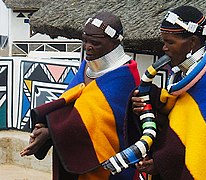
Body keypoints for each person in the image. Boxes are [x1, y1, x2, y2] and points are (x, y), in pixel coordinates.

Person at [20, 11, 140, 180]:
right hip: (78, 165)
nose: (87, 47)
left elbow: (96, 124)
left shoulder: (125, 77)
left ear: (114, 43)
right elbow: (68, 105)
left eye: (95, 43)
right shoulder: (87, 66)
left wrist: (52, 133)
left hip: (110, 169)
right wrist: (46, 126)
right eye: (85, 41)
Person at [126, 5, 206, 180]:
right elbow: (180, 127)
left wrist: (163, 161)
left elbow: (204, 141)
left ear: (193, 43)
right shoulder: (178, 79)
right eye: (164, 42)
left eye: (170, 42)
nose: (164, 48)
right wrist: (149, 107)